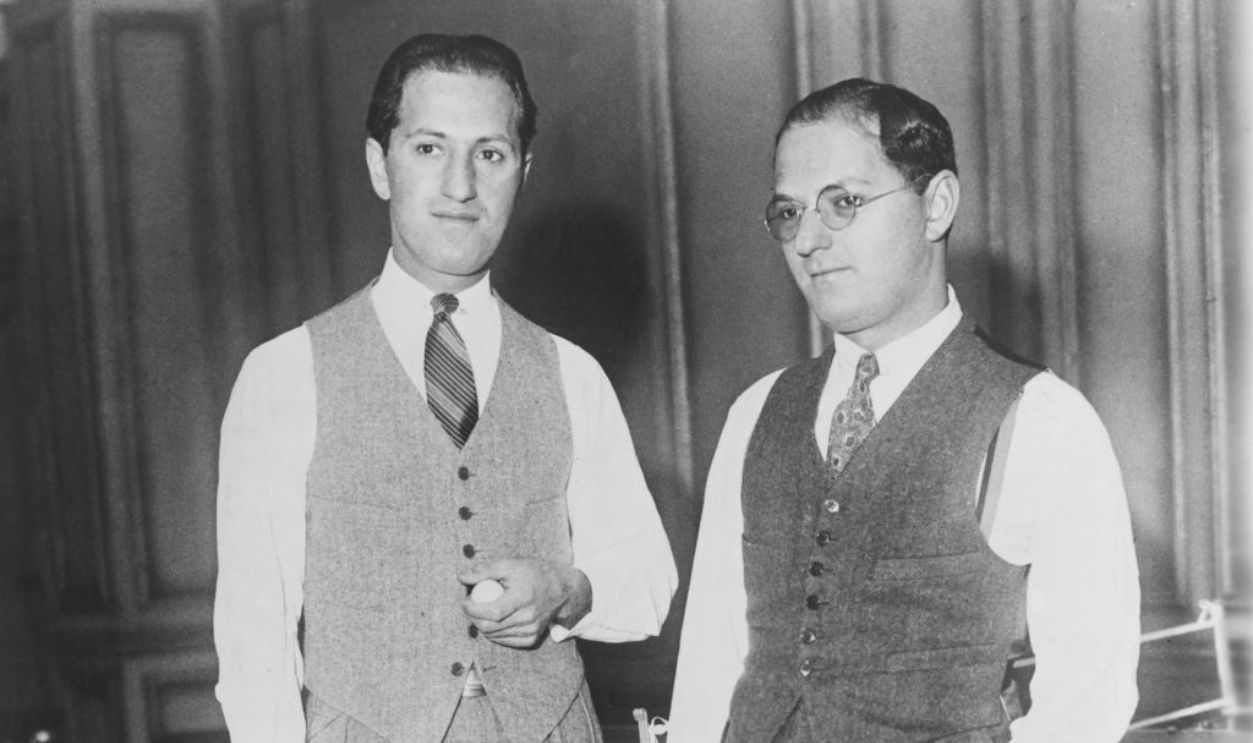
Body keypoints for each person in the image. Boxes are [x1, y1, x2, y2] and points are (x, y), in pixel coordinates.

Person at [213, 33, 677, 743]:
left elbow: (647, 581)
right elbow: (252, 633)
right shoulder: (283, 374)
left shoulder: (570, 372)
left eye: (489, 154)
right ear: (380, 164)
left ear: (522, 170)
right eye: (430, 148)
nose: (461, 185)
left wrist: (566, 590)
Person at [668, 78, 1140, 742]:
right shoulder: (755, 413)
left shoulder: (1041, 421)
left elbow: (1086, 704)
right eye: (788, 212)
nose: (807, 240)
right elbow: (707, 670)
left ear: (935, 204)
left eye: (844, 203)